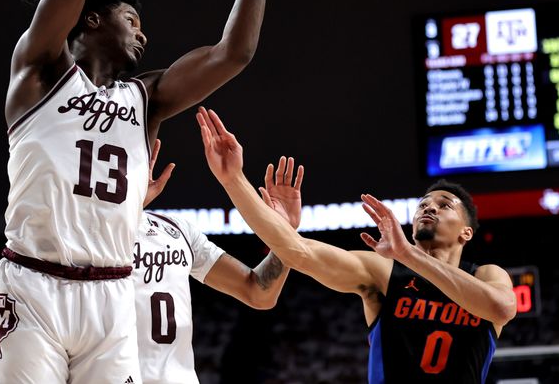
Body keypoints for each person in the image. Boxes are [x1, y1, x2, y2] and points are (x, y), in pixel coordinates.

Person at [0, 0, 273, 383]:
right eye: (132, 19)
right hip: (31, 285)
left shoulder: (148, 99)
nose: (143, 34)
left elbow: (235, 53)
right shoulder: (39, 71)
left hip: (113, 292)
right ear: (92, 19)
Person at [196, 107, 517, 384]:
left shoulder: (486, 275)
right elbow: (297, 251)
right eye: (423, 204)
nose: (428, 208)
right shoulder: (384, 273)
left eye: (444, 204)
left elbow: (501, 308)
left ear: (466, 233)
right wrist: (233, 180)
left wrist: (407, 253)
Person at [134, 139, 301, 384]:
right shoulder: (81, 233)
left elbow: (258, 292)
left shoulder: (176, 230)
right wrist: (128, 211)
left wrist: (283, 232)